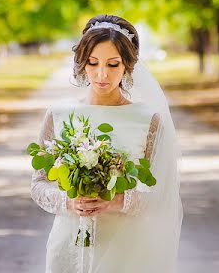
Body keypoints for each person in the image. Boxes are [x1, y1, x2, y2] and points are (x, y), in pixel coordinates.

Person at [30, 14, 183, 272]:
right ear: (82, 63)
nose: (102, 74)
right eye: (93, 63)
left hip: (126, 248)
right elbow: (39, 184)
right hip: (69, 243)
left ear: (127, 66)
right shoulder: (58, 115)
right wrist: (70, 202)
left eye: (113, 64)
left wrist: (116, 200)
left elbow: (159, 197)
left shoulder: (148, 120)